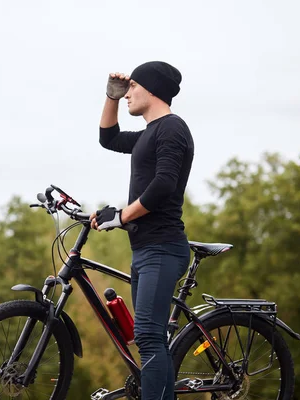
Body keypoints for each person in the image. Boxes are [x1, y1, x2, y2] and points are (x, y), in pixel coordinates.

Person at [89, 61, 194, 400]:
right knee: (147, 336)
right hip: (146, 249)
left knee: (148, 336)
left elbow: (163, 185)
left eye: (133, 87)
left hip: (163, 248)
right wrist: (112, 96)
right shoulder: (150, 132)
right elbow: (109, 137)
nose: (129, 92)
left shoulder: (172, 129)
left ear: (152, 90)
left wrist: (121, 216)